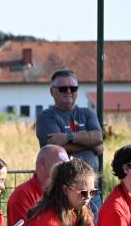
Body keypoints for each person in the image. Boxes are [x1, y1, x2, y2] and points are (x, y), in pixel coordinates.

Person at [35, 69, 105, 218]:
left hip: (92, 194)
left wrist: (68, 137)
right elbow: (55, 149)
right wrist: (91, 144)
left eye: (73, 88)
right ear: (52, 91)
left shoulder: (88, 113)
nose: (68, 91)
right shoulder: (46, 117)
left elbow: (98, 137)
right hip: (64, 194)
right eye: (63, 88)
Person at [6, 145, 70, 226]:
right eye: (60, 166)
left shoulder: (66, 191)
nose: (66, 171)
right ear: (43, 164)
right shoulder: (22, 195)